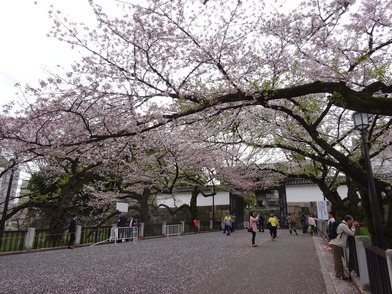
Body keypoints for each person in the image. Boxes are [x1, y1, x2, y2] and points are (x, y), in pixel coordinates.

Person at [329, 215, 359, 280]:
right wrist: (353, 226)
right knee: (337, 260)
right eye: (352, 221)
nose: (352, 222)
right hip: (336, 244)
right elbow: (351, 233)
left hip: (337, 244)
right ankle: (339, 275)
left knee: (339, 260)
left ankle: (341, 274)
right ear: (348, 220)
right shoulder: (343, 225)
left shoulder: (344, 225)